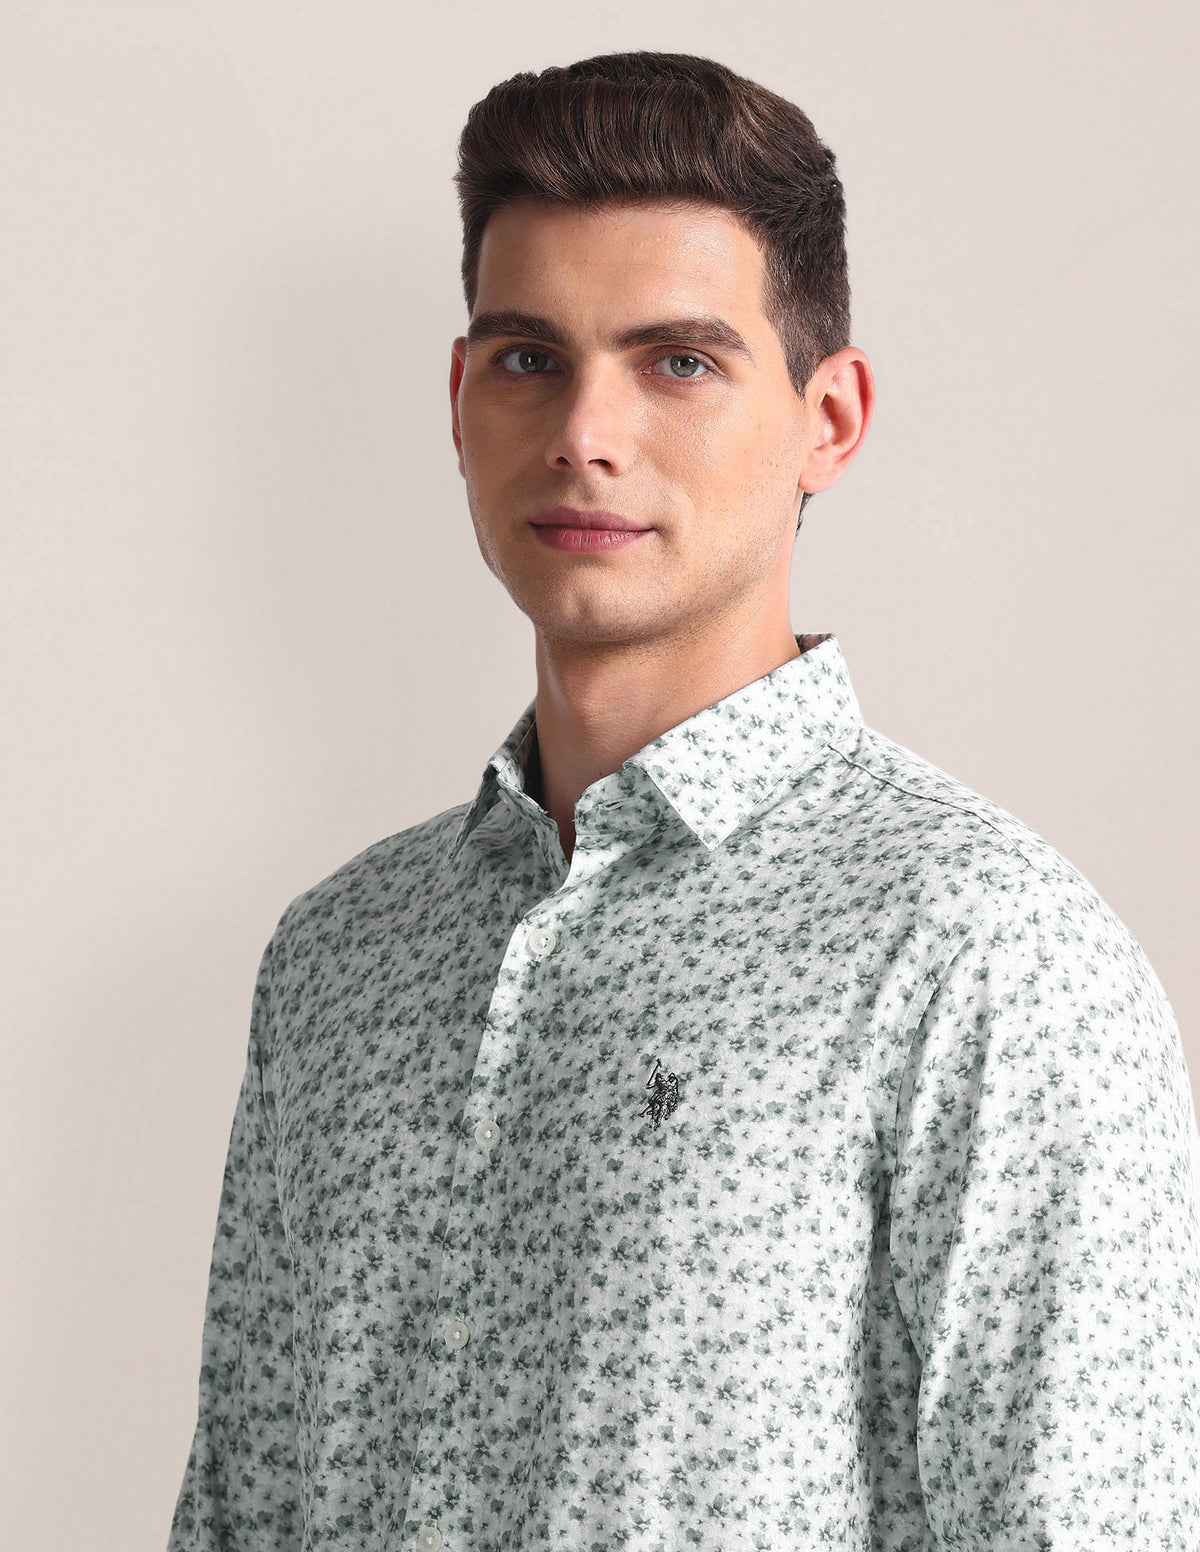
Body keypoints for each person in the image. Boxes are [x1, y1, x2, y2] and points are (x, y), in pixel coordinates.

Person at [167, 49, 1200, 1552]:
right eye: (530, 358)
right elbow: (237, 1514)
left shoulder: (982, 955)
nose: (585, 433)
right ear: (460, 400)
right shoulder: (339, 957)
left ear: (829, 419)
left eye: (680, 363)